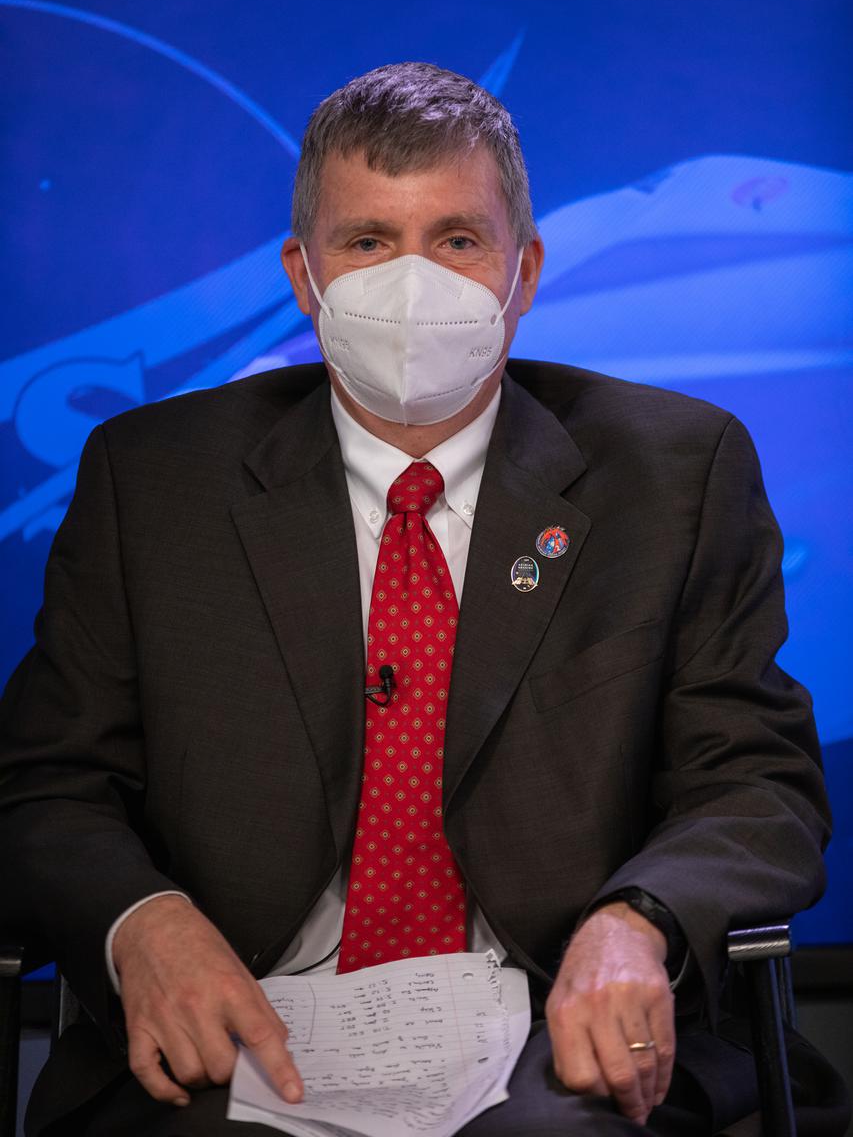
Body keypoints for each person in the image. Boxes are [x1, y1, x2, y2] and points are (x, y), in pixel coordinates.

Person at [0, 62, 845, 1137]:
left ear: (522, 271)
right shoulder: (153, 479)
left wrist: (637, 923)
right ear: (303, 275)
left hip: (548, 1017)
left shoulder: (675, 472)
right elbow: (43, 784)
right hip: (241, 1012)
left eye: (456, 239)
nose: (413, 283)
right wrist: (143, 924)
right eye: (366, 241)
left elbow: (756, 781)